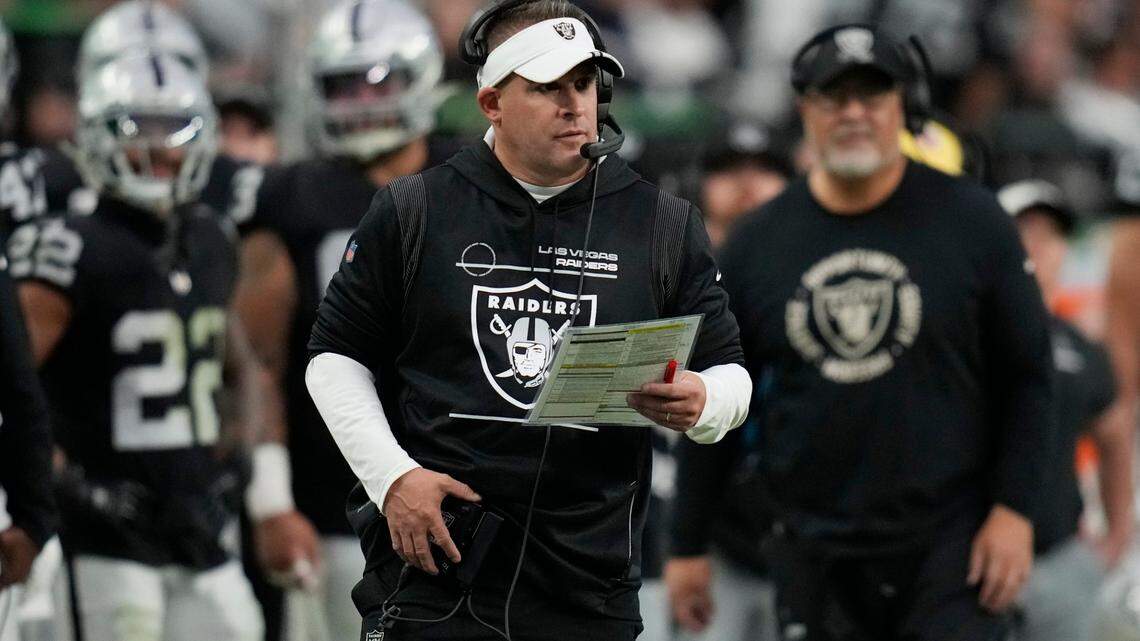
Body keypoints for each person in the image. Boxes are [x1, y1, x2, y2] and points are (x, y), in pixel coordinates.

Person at [304, 1, 752, 639]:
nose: (576, 105)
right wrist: (392, 477)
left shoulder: (660, 222)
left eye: (585, 84)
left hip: (589, 579)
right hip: (439, 566)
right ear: (492, 103)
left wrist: (705, 401)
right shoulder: (416, 208)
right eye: (548, 87)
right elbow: (333, 356)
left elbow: (732, 372)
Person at [716, 24, 1053, 641]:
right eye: (832, 97)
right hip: (811, 543)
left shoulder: (976, 222)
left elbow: (1029, 374)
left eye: (871, 96)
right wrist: (687, 543)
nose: (853, 114)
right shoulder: (756, 241)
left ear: (906, 107)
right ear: (804, 110)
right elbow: (717, 388)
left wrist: (1014, 511)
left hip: (951, 542)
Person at [8, 51, 273, 641]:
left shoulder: (209, 236)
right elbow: (11, 390)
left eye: (172, 130)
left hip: (197, 527)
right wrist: (69, 483)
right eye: (138, 131)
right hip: (103, 535)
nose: (158, 150)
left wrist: (240, 462)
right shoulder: (67, 246)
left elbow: (241, 367)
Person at [230, 1, 452, 639]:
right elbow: (259, 360)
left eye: (377, 82)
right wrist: (271, 499)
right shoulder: (293, 196)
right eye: (342, 85)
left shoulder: (477, 178)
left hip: (468, 489)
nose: (360, 101)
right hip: (336, 499)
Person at [997, 180, 1133, 641]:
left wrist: (1116, 534)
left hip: (1058, 558)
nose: (1038, 248)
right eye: (1024, 231)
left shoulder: (1079, 347)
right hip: (972, 562)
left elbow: (1114, 437)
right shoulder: (955, 336)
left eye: (1051, 236)